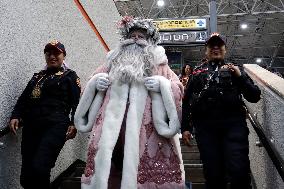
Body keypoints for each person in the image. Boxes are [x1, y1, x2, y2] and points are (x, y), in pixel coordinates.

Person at [74, 16, 185, 189]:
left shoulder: (160, 64)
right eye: (132, 35)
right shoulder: (112, 63)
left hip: (147, 133)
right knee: (109, 170)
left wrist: (163, 85)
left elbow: (178, 88)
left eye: (141, 36)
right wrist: (96, 82)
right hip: (111, 132)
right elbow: (89, 85)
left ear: (149, 41)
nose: (136, 39)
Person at [181, 33, 261, 189]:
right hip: (206, 129)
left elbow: (255, 96)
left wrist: (239, 76)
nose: (216, 48)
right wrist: (185, 128)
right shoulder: (197, 73)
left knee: (239, 171)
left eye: (219, 45)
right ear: (206, 50)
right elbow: (186, 101)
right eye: (212, 46)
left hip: (234, 127)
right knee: (213, 175)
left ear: (225, 49)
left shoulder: (235, 70)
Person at [9, 40, 81, 189]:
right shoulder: (37, 77)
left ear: (63, 56)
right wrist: (15, 115)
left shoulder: (70, 76)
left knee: (40, 167)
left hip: (55, 126)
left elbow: (76, 103)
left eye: (56, 53)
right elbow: (23, 99)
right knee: (26, 175)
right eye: (48, 53)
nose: (52, 56)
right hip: (31, 126)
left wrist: (74, 123)